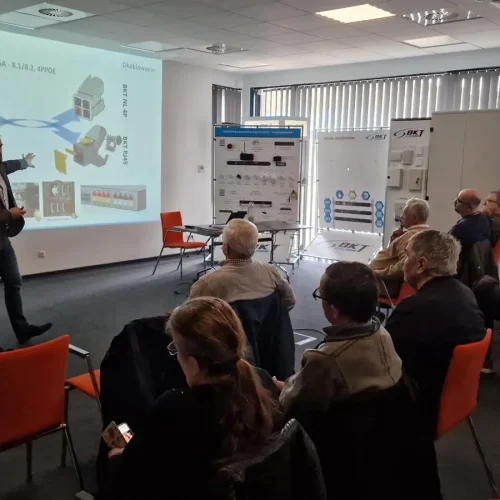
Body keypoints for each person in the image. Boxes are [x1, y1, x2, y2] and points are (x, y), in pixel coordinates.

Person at [279, 262, 441, 499]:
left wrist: (283, 388)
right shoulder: (382, 333)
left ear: (334, 311)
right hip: (389, 453)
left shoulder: (325, 359)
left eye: (320, 297)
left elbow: (293, 407)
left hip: (341, 453)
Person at [105, 297, 283, 500]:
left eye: (176, 349)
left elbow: (135, 475)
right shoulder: (263, 382)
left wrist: (118, 456)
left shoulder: (174, 408)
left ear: (193, 363)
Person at [386, 230, 486, 432]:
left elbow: (383, 359)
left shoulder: (415, 309)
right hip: (457, 396)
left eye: (407, 255)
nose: (403, 262)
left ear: (421, 265)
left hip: (421, 407)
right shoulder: (465, 293)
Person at [0, 137, 52, 344]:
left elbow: (9, 165)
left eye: (1, 145)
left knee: (14, 281)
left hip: (2, 238)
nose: (1, 149)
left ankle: (22, 330)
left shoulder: (0, 168)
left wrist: (24, 163)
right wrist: (9, 214)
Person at [190, 219, 295, 309]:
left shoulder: (206, 283)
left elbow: (188, 319)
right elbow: (290, 302)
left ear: (225, 248)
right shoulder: (271, 272)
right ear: (255, 247)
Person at [370, 198, 430, 297]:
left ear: (414, 218)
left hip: (385, 283)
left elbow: (403, 267)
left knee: (352, 280)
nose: (401, 216)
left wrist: (377, 272)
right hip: (389, 282)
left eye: (404, 214)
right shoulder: (425, 234)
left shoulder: (410, 236)